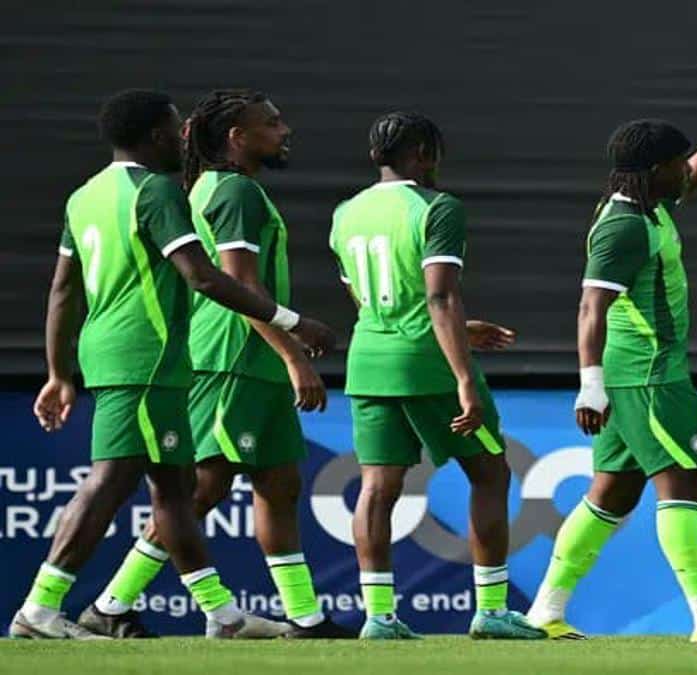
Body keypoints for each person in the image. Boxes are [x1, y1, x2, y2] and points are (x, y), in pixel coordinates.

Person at [13, 89, 332, 640]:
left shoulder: (85, 195)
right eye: (174, 125)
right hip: (149, 356)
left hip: (126, 354)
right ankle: (42, 608)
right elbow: (206, 277)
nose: (183, 134)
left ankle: (223, 615)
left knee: (175, 488)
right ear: (157, 135)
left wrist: (59, 372)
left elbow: (63, 291)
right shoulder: (158, 190)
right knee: (115, 479)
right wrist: (293, 323)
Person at [526, 101, 697, 643]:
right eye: (678, 162)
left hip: (635, 374)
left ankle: (544, 612)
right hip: (649, 375)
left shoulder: (647, 207)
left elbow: (693, 181)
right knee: (685, 485)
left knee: (613, 493)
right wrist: (588, 386)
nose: (686, 169)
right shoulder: (623, 228)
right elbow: (590, 306)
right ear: (652, 171)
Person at [329, 111, 542, 640]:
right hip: (426, 363)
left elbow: (366, 296)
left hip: (369, 358)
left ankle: (379, 618)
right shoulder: (438, 208)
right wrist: (465, 377)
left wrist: (459, 328)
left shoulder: (345, 213)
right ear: (423, 154)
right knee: (490, 471)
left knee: (377, 487)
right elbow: (438, 294)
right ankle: (491, 610)